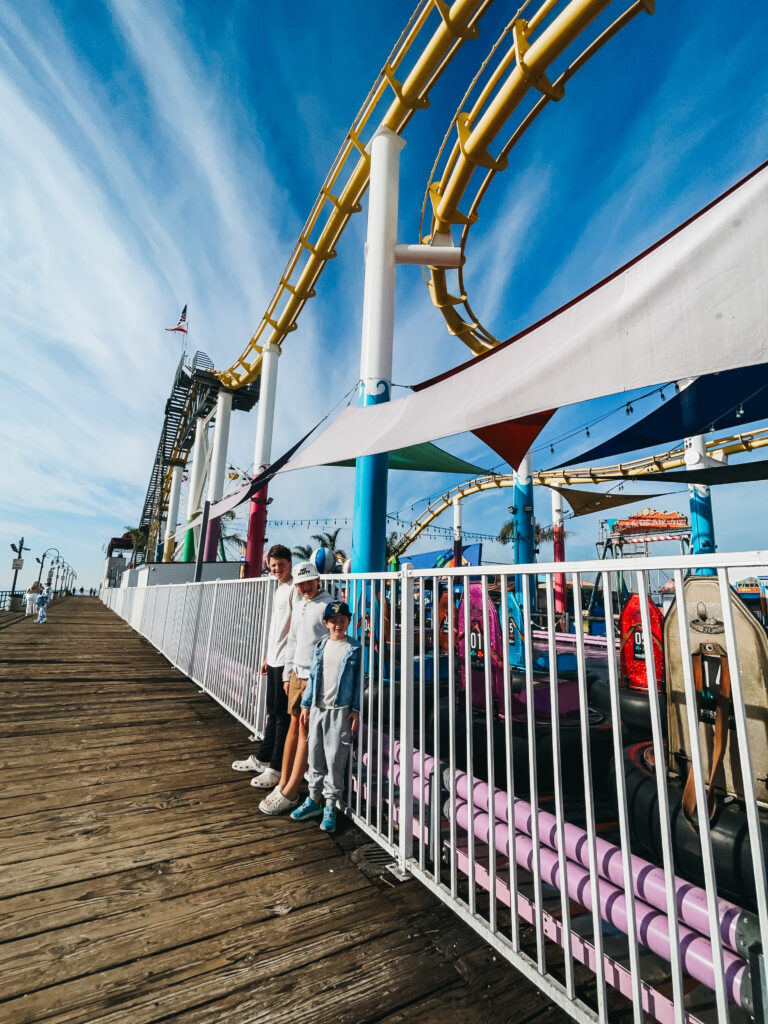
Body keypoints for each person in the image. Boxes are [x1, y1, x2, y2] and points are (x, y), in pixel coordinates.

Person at [259, 561, 332, 816]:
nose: (304, 588)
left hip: (315, 678)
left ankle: (290, 792)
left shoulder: (327, 606)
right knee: (292, 728)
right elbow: (292, 641)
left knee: (303, 732)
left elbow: (331, 647)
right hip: (297, 676)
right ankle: (282, 782)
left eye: (308, 582)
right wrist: (288, 673)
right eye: (300, 584)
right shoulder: (300, 604)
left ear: (317, 580)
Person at [290, 601, 361, 833]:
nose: (338, 625)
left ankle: (330, 804)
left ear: (348, 621)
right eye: (333, 621)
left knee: (335, 758)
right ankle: (313, 799)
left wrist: (357, 709)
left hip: (340, 710)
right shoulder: (321, 645)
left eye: (342, 620)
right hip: (319, 708)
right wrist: (306, 705)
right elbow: (313, 677)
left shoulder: (355, 648)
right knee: (315, 753)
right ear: (326, 623)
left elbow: (360, 681)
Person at [232, 544, 297, 788]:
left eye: (281, 564)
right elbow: (277, 628)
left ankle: (277, 768)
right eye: (273, 565)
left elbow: (294, 630)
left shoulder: (294, 589)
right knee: (272, 712)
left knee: (282, 716)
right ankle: (263, 757)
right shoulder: (278, 588)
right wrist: (268, 656)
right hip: (275, 658)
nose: (277, 568)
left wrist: (287, 665)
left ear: (290, 562)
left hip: (286, 662)